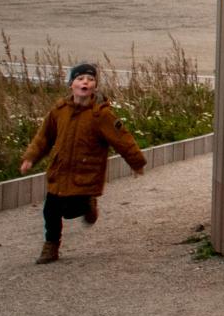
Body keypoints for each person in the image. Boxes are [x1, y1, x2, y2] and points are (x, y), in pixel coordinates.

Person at [18, 62, 147, 263]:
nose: (85, 82)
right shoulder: (59, 111)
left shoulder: (101, 114)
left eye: (90, 79)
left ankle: (88, 204)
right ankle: (50, 246)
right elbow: (44, 137)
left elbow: (122, 138)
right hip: (60, 171)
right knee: (50, 210)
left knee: (71, 210)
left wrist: (136, 162)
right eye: (80, 79)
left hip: (86, 173)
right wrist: (30, 158)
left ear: (95, 86)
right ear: (71, 85)